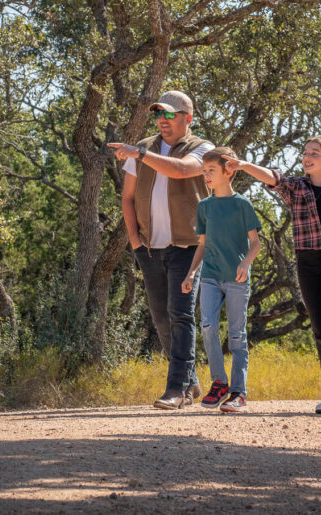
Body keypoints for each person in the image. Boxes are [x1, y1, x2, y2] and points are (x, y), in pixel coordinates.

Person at [224, 136, 321, 415]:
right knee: (319, 329)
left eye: (314, 153)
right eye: (305, 153)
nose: (307, 157)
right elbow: (274, 177)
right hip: (306, 263)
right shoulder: (297, 187)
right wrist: (245, 165)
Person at [108, 91, 213, 410]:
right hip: (149, 248)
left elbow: (181, 170)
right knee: (161, 318)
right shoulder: (145, 147)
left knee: (181, 314)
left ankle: (177, 388)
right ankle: (191, 381)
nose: (162, 121)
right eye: (159, 115)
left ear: (188, 118)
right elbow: (127, 197)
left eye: (169, 115)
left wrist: (138, 154)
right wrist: (136, 241)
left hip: (189, 246)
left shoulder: (202, 149)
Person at [181, 147, 262, 413]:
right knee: (207, 326)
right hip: (211, 277)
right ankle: (219, 383)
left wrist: (245, 263)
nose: (206, 175)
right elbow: (202, 245)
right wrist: (192, 272)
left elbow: (256, 243)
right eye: (204, 171)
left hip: (237, 279)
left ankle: (239, 393)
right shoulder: (204, 207)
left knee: (237, 335)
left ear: (228, 170)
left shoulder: (242, 204)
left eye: (211, 171)